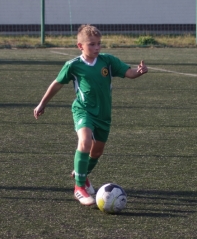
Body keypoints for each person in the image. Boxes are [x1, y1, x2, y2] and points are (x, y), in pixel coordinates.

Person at [34, 24, 148, 206]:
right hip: (83, 110)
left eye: (99, 44)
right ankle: (79, 188)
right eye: (92, 44)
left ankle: (82, 174)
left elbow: (129, 73)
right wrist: (42, 103)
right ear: (81, 46)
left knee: (97, 151)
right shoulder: (73, 65)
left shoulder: (107, 61)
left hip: (103, 114)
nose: (96, 48)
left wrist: (139, 72)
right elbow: (57, 83)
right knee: (85, 142)